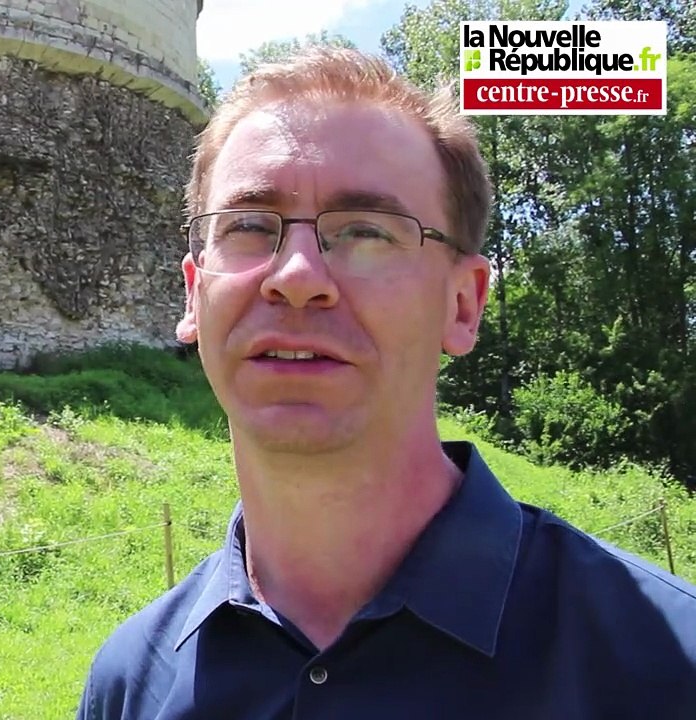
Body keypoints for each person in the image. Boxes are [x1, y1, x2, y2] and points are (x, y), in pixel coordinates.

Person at [75, 46, 696, 719]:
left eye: (366, 232)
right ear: (194, 296)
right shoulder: (130, 685)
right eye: (250, 226)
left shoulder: (664, 667)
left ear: (463, 305)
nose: (296, 277)